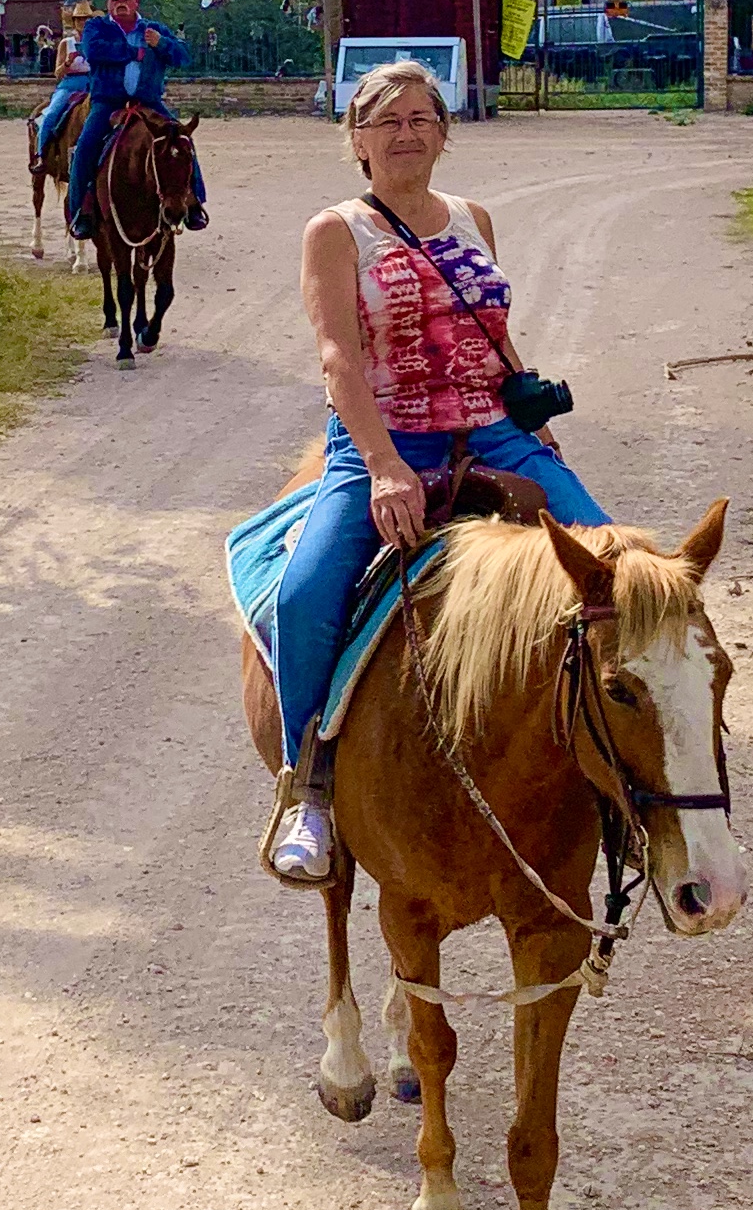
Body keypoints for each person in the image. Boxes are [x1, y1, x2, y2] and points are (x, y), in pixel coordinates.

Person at [260, 54, 609, 889]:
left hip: (494, 435)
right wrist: (381, 466)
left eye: (422, 118)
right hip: (387, 439)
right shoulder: (336, 230)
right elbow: (340, 359)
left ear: (444, 135)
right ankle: (308, 786)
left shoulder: (471, 218)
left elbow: (491, 329)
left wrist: (538, 428)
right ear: (359, 142)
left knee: (618, 574)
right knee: (306, 594)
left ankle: (616, 777)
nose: (406, 133)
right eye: (387, 122)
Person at [67, 0, 207, 234]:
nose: (121, 2)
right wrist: (135, 52)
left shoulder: (153, 28)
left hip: (149, 102)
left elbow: (184, 56)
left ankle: (194, 203)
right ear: (108, 3)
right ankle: (80, 212)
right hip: (107, 103)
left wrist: (161, 44)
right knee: (85, 146)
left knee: (184, 141)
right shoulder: (96, 27)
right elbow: (94, 51)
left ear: (135, 1)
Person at [32, 1, 93, 178]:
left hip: (92, 83)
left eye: (86, 19)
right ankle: (42, 155)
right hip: (70, 84)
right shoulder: (67, 43)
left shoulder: (97, 42)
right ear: (74, 22)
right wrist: (68, 62)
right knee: (51, 114)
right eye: (79, 20)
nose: (83, 23)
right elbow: (57, 73)